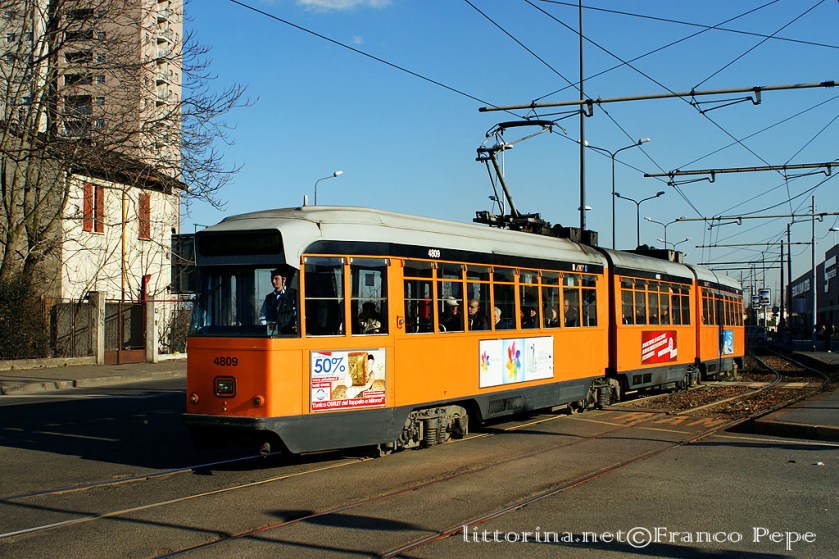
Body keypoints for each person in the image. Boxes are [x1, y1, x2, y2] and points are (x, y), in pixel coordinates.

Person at [259, 268, 297, 333]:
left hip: (289, 333)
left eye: (276, 279)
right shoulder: (269, 298)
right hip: (273, 333)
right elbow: (263, 315)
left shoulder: (293, 295)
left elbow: (297, 313)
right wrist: (266, 325)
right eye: (272, 279)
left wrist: (296, 325)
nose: (273, 281)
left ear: (284, 279)